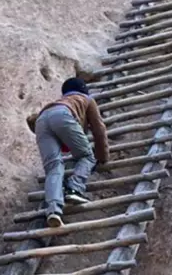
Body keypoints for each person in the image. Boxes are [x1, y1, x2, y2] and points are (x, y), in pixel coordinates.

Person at [26, 77, 111, 229]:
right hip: (63, 115)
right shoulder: (87, 99)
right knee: (87, 156)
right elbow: (99, 130)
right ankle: (74, 188)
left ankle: (53, 211)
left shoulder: (61, 100)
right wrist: (102, 156)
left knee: (54, 167)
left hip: (41, 120)